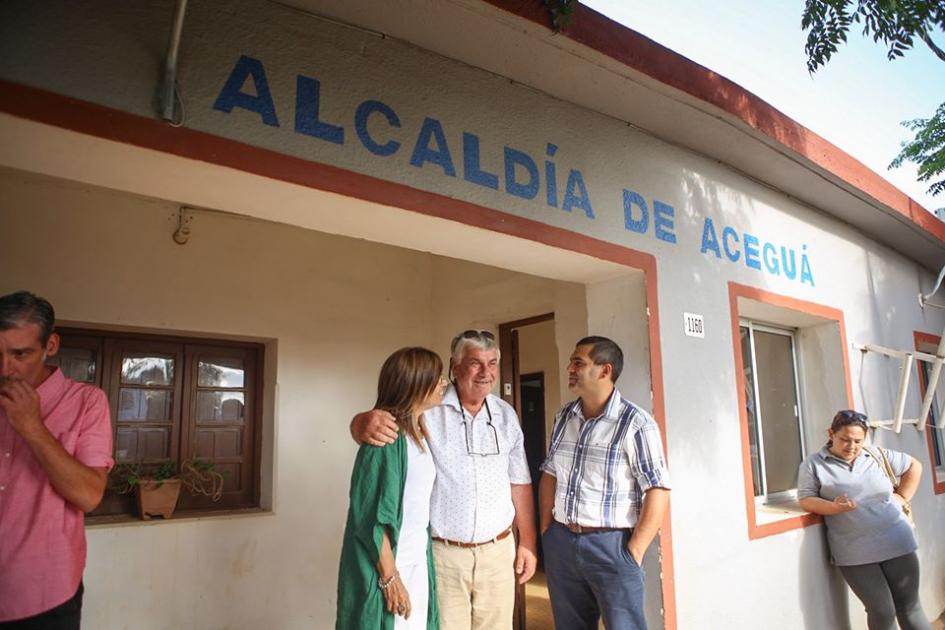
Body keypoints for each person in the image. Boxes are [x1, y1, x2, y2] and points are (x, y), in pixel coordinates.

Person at [351, 330, 536, 630]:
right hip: (443, 555)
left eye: (492, 363)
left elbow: (520, 482)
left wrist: (527, 542)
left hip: (499, 552)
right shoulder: (427, 409)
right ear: (455, 365)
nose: (486, 373)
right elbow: (388, 420)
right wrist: (360, 422)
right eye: (476, 363)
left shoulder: (506, 415)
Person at [539, 336, 670, 630]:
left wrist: (634, 550)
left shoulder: (636, 423)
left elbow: (657, 489)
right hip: (562, 541)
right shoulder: (564, 417)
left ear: (605, 370)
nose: (570, 368)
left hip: (612, 546)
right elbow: (550, 473)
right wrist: (547, 530)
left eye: (579, 363)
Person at [0, 291, 113, 629]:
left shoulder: (86, 401)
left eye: (21, 354)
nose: (5, 368)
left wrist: (32, 427)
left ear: (51, 345)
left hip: (43, 595)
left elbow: (89, 496)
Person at [336, 347, 448, 629]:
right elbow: (370, 518)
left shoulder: (419, 431)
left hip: (416, 561)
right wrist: (390, 578)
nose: (444, 382)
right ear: (415, 382)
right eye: (437, 376)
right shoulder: (386, 437)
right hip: (390, 567)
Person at [798, 409, 929, 630]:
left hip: (898, 542)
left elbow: (914, 466)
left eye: (858, 441)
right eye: (845, 439)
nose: (852, 446)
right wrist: (833, 507)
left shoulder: (876, 455)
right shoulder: (814, 464)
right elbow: (806, 499)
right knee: (882, 611)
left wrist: (903, 496)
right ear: (831, 433)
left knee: (910, 607)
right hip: (855, 552)